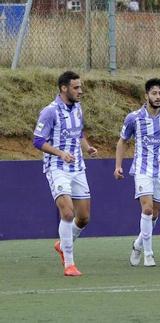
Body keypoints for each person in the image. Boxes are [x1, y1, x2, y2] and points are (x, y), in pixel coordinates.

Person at [33, 71, 98, 276]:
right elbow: (37, 141)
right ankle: (69, 263)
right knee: (68, 212)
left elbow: (78, 133)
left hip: (78, 168)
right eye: (76, 87)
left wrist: (87, 148)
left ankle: (62, 244)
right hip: (57, 167)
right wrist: (60, 153)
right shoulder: (49, 112)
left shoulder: (78, 108)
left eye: (81, 87)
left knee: (84, 218)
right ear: (64, 88)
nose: (81, 91)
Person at [114, 78, 160, 267]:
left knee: (154, 214)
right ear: (146, 95)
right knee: (146, 209)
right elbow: (123, 141)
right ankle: (149, 254)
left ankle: (138, 244)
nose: (158, 97)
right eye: (154, 93)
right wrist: (118, 165)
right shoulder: (134, 118)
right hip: (142, 169)